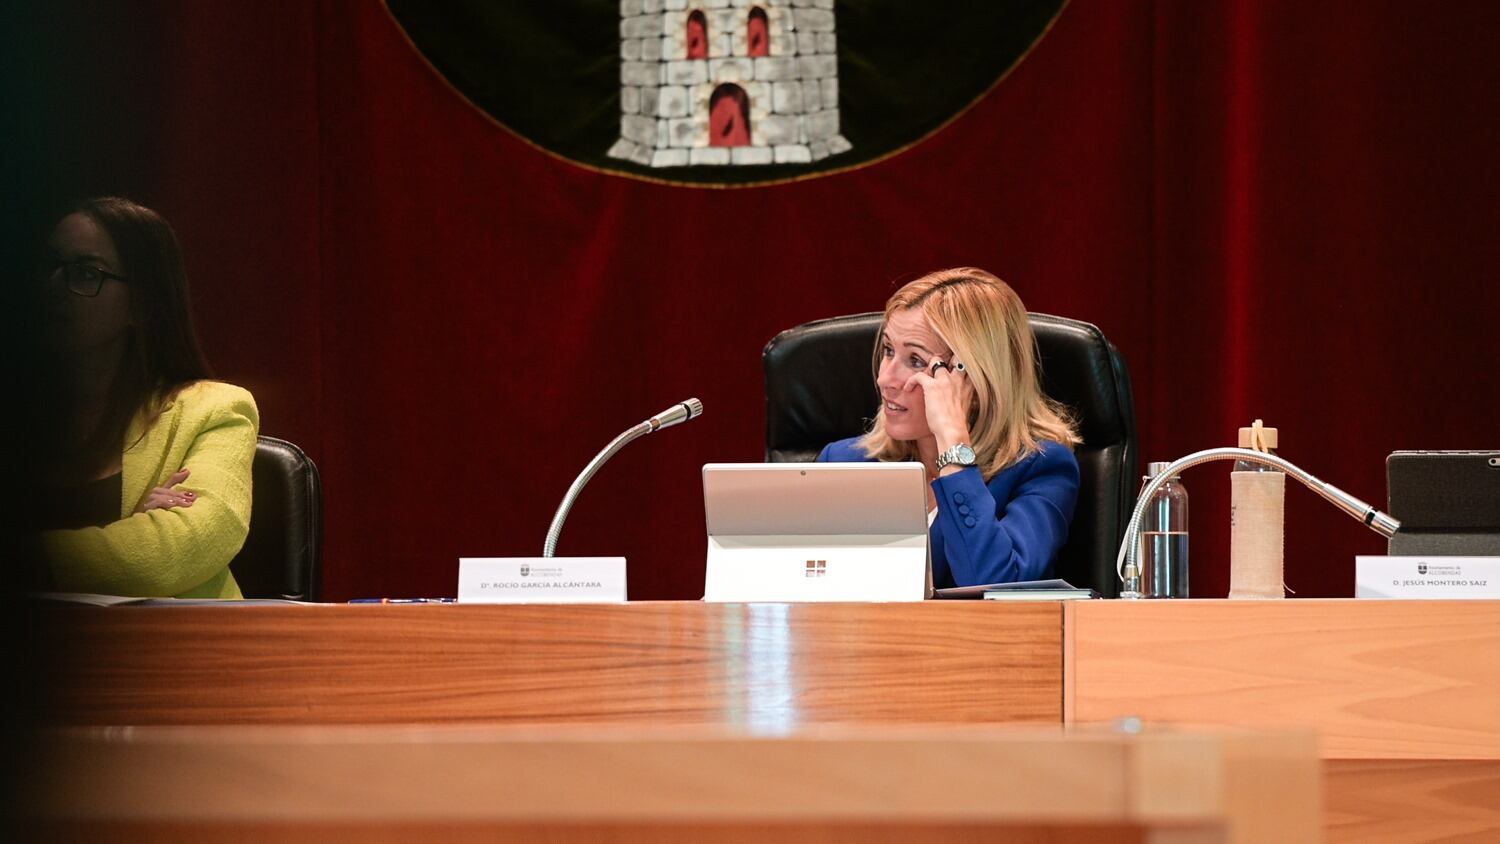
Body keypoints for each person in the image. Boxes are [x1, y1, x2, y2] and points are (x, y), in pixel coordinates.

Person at [33, 197, 257, 598]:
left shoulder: (215, 410)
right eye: (46, 266)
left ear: (143, 304)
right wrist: (128, 537)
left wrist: (27, 561)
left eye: (85, 273)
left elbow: (177, 548)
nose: (52, 288)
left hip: (166, 638)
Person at [818, 268, 1081, 587]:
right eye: (888, 350)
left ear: (975, 379)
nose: (884, 379)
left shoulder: (1039, 468)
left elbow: (994, 585)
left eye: (915, 360)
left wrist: (953, 446)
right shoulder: (844, 464)